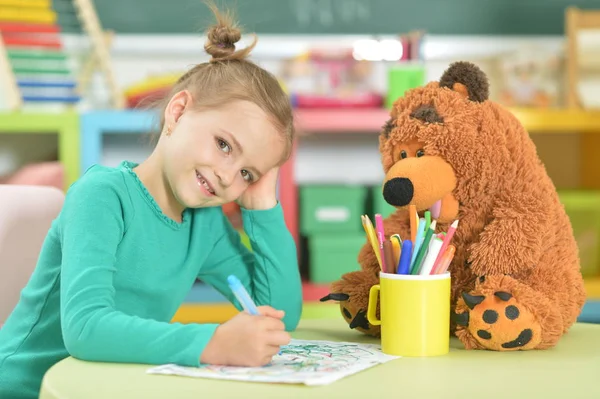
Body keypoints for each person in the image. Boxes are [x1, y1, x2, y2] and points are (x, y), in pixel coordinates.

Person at [0, 3, 302, 398]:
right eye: (224, 145)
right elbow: (86, 329)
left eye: (247, 172)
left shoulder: (204, 223)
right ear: (177, 112)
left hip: (105, 386)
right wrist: (212, 343)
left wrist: (262, 205)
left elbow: (279, 314)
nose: (229, 177)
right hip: (27, 388)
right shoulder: (102, 196)